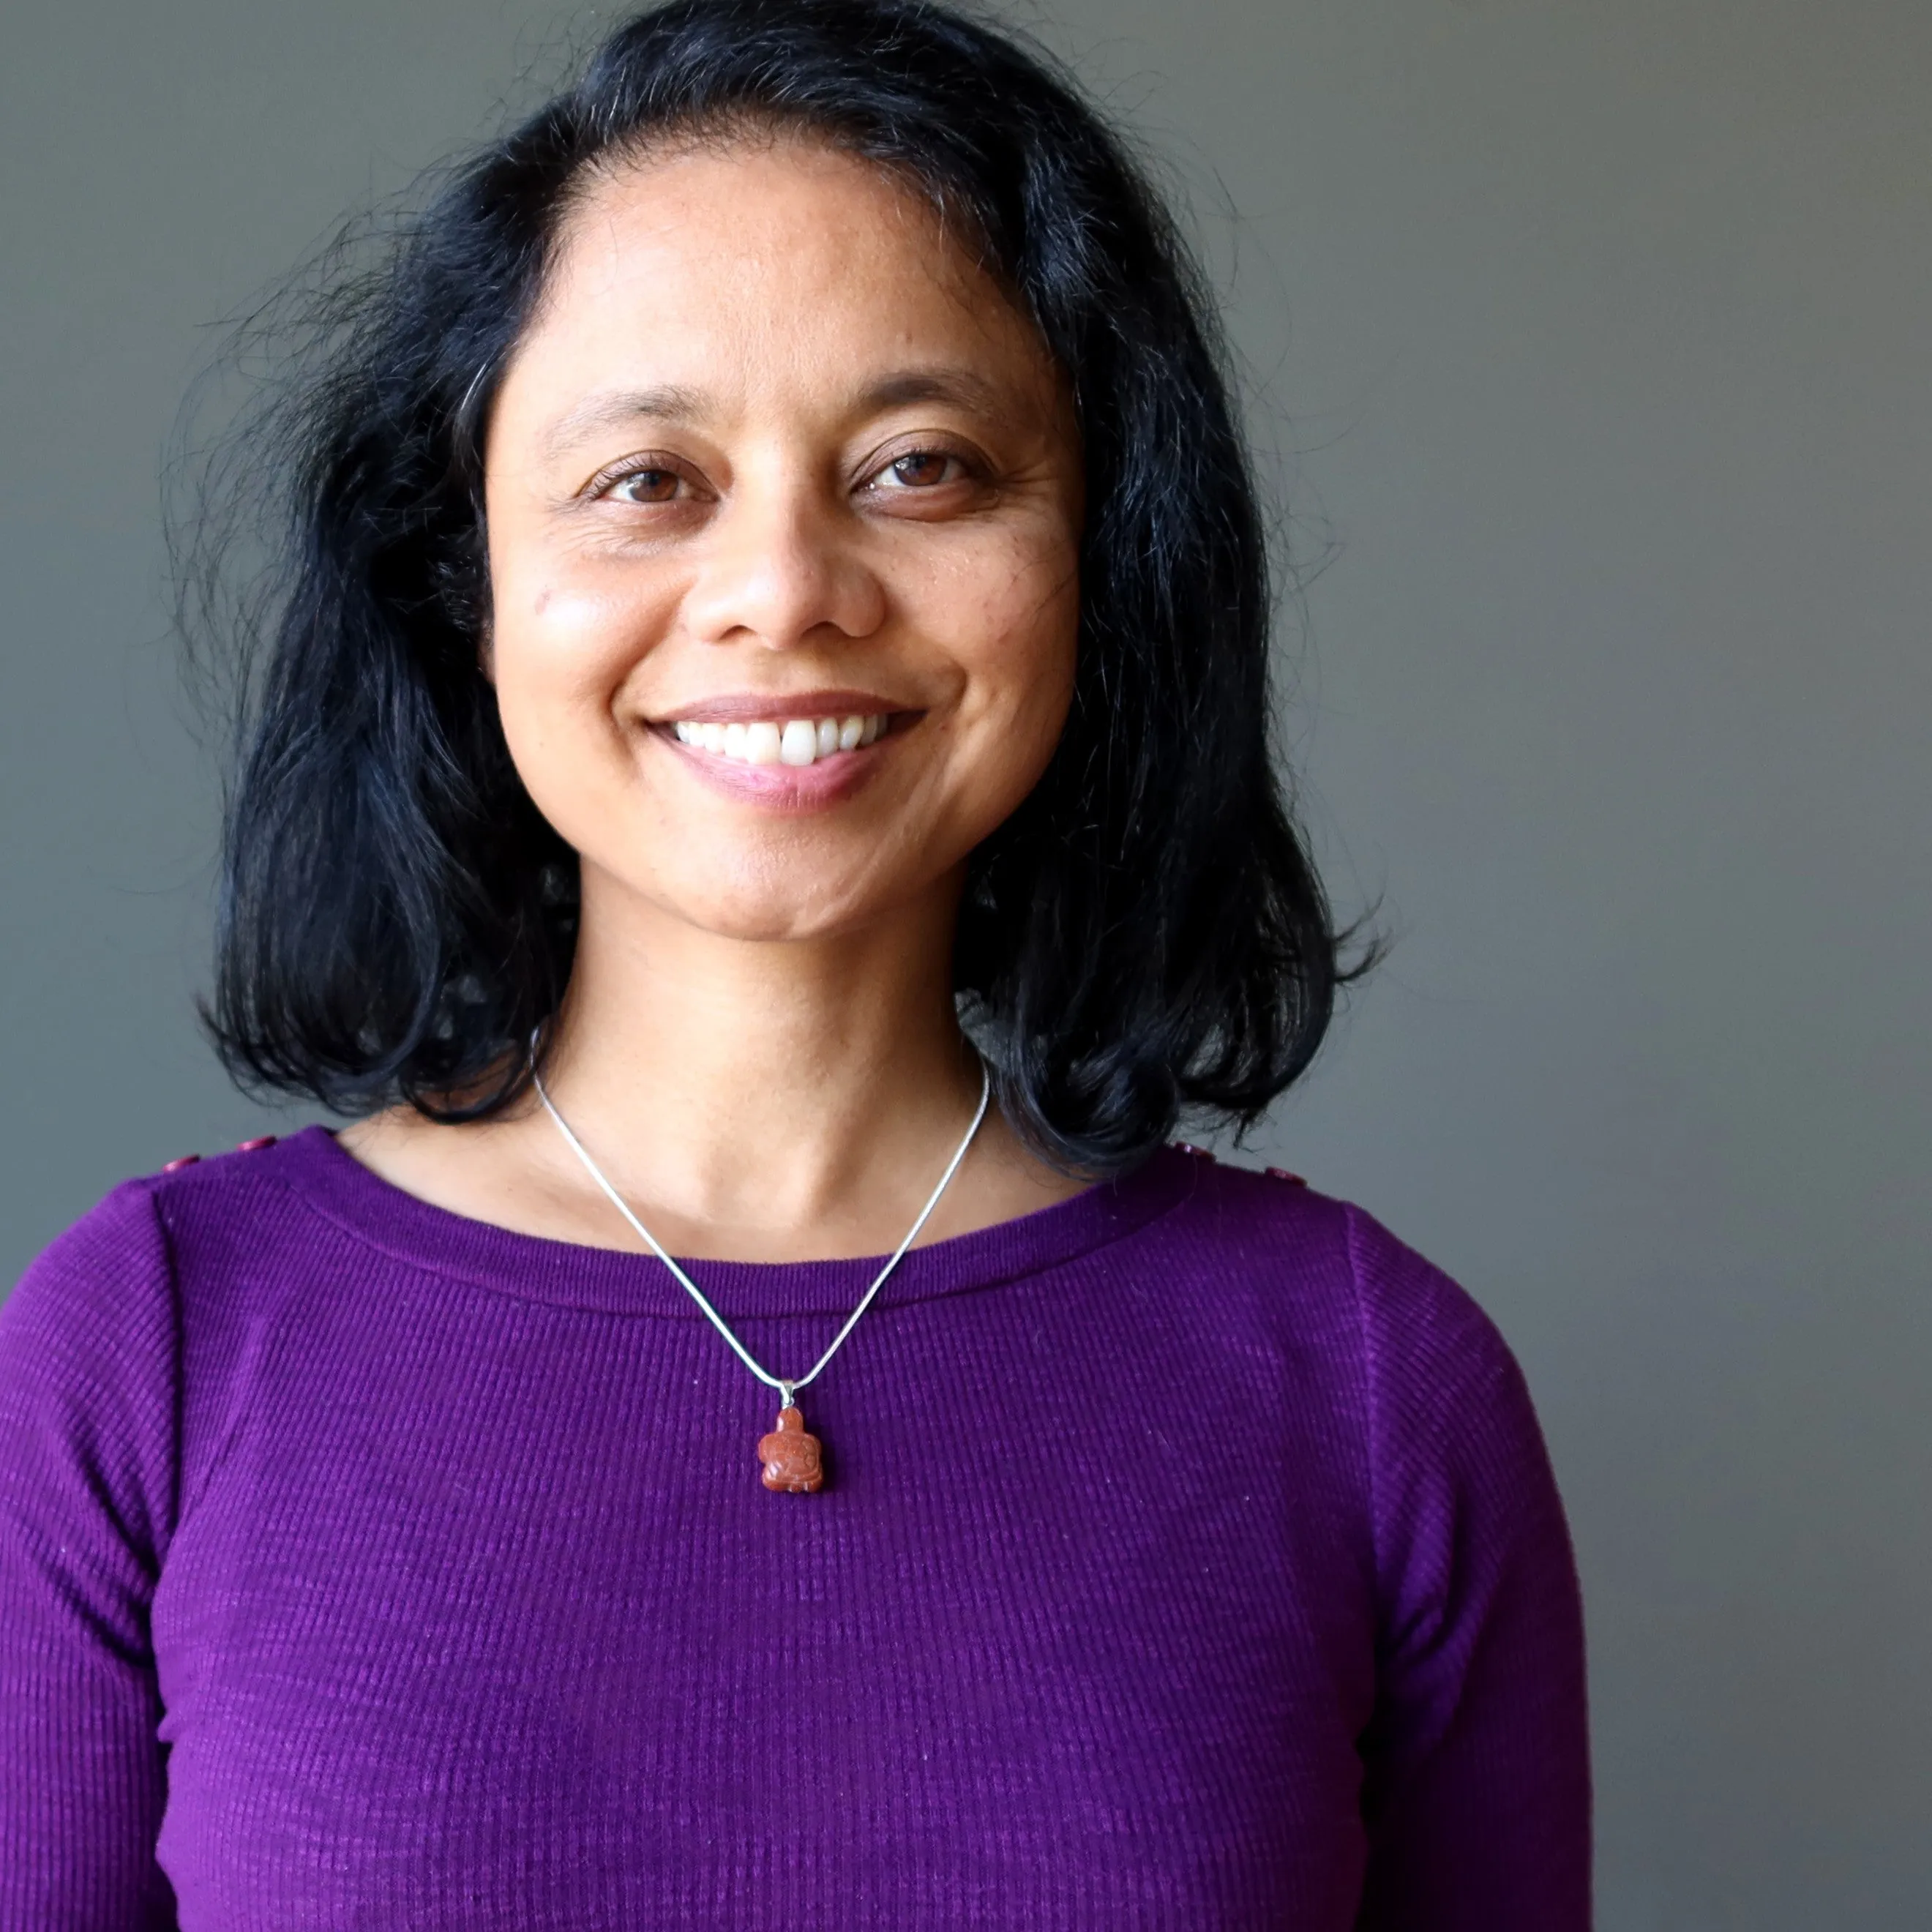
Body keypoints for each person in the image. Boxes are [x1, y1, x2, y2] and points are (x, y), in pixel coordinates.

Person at [0, 1, 1590, 1922]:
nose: (783, 590)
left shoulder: (1367, 1379)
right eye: (647, 481)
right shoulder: (152, 1350)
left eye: (920, 468)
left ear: (1096, 558)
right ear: (469, 581)